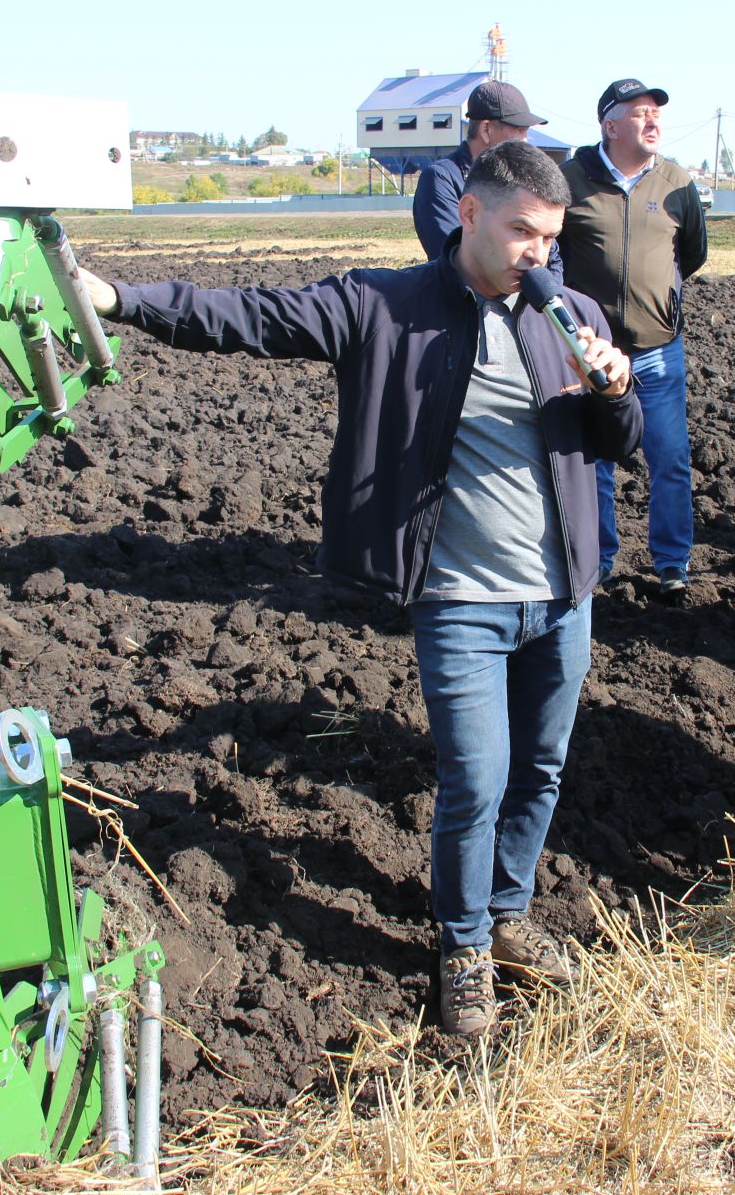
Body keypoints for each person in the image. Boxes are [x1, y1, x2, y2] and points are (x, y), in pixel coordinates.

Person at [75, 141, 641, 1037]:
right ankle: (462, 949)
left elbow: (617, 443)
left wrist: (614, 389)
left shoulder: (567, 311)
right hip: (461, 600)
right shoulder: (386, 306)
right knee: (476, 781)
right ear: (468, 215)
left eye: (551, 235)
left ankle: (510, 915)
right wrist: (120, 299)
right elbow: (248, 315)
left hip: (563, 594)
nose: (538, 251)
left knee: (540, 770)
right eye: (522, 232)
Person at [559, 77, 709, 598]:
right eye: (640, 112)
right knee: (596, 462)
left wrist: (658, 298)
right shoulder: (572, 178)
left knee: (669, 459)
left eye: (656, 113)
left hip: (657, 352)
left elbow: (692, 253)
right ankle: (597, 560)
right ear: (610, 124)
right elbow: (552, 253)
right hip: (591, 355)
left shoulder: (675, 182)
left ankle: (672, 562)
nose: (653, 121)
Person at [411, 80, 562, 287]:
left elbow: (554, 259)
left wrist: (542, 297)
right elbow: (455, 254)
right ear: (486, 129)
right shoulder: (441, 178)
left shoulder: (523, 183)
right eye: (518, 130)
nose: (525, 140)